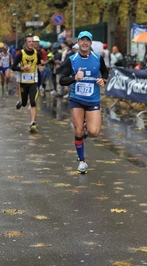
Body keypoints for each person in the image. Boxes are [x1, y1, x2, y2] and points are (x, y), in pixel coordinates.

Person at [59, 31, 109, 174]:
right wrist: (74, 78)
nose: (85, 43)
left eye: (87, 40)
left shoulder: (98, 58)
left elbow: (105, 72)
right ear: (78, 43)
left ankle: (87, 123)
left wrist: (103, 80)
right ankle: (82, 161)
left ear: (91, 43)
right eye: (82, 40)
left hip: (93, 99)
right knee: (78, 130)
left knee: (94, 132)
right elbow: (62, 80)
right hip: (77, 100)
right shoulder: (71, 59)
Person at [11, 35, 44, 132]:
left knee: (33, 101)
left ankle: (32, 123)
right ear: (25, 43)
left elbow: (38, 64)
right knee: (25, 103)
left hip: (34, 81)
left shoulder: (37, 53)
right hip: (23, 82)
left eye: (32, 41)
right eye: (29, 42)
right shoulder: (20, 54)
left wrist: (40, 67)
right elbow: (13, 67)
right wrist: (22, 68)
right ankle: (21, 102)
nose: (31, 43)